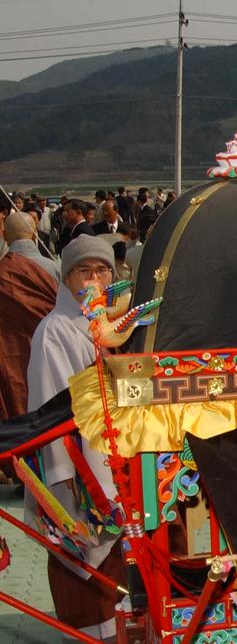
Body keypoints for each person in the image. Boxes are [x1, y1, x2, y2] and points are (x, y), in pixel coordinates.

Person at [26, 236, 125, 639]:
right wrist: (63, 476)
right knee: (79, 547)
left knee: (119, 555)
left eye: (102, 270)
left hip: (115, 456)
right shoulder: (54, 331)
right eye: (84, 271)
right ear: (66, 278)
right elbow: (48, 409)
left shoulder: (114, 325)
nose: (94, 279)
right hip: (76, 464)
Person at [0, 214, 58, 424]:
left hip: (11, 353)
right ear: (35, 235)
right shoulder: (53, 268)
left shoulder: (2, 271)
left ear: (5, 236)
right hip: (50, 348)